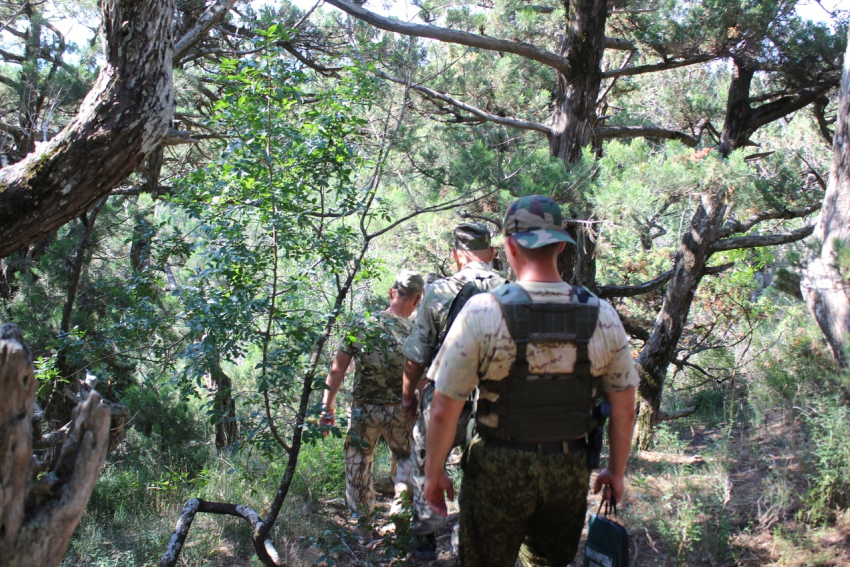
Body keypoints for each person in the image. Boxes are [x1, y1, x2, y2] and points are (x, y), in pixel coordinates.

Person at [423, 195, 639, 567]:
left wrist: (433, 472)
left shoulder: (483, 312)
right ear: (559, 245)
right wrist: (615, 471)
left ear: (507, 246)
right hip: (568, 468)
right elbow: (623, 407)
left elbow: (444, 409)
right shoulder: (602, 316)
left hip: (496, 465)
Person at [399, 222, 503, 559]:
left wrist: (408, 397)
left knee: (424, 457)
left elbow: (416, 356)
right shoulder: (512, 290)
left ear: (456, 255)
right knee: (483, 469)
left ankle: (424, 541)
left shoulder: (438, 291)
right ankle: (469, 541)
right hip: (494, 403)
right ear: (491, 253)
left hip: (443, 399)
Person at [320, 269, 425, 544]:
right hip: (401, 410)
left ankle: (364, 530)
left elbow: (337, 370)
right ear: (417, 300)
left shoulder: (361, 324)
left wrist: (326, 407)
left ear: (391, 293)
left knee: (358, 462)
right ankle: (401, 521)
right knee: (406, 461)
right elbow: (423, 379)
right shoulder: (417, 332)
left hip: (364, 410)